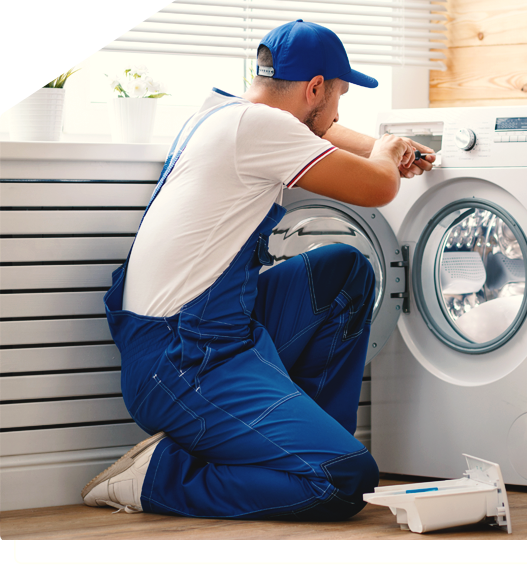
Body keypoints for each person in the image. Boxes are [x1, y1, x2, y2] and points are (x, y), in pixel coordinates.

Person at [80, 19, 434, 521]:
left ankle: (305, 443)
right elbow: (378, 188)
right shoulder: (265, 129)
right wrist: (386, 156)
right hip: (184, 362)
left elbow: (324, 131)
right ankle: (155, 477)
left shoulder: (224, 112)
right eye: (338, 95)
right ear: (314, 88)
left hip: (207, 333)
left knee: (344, 272)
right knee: (345, 481)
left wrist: (387, 146)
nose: (339, 110)